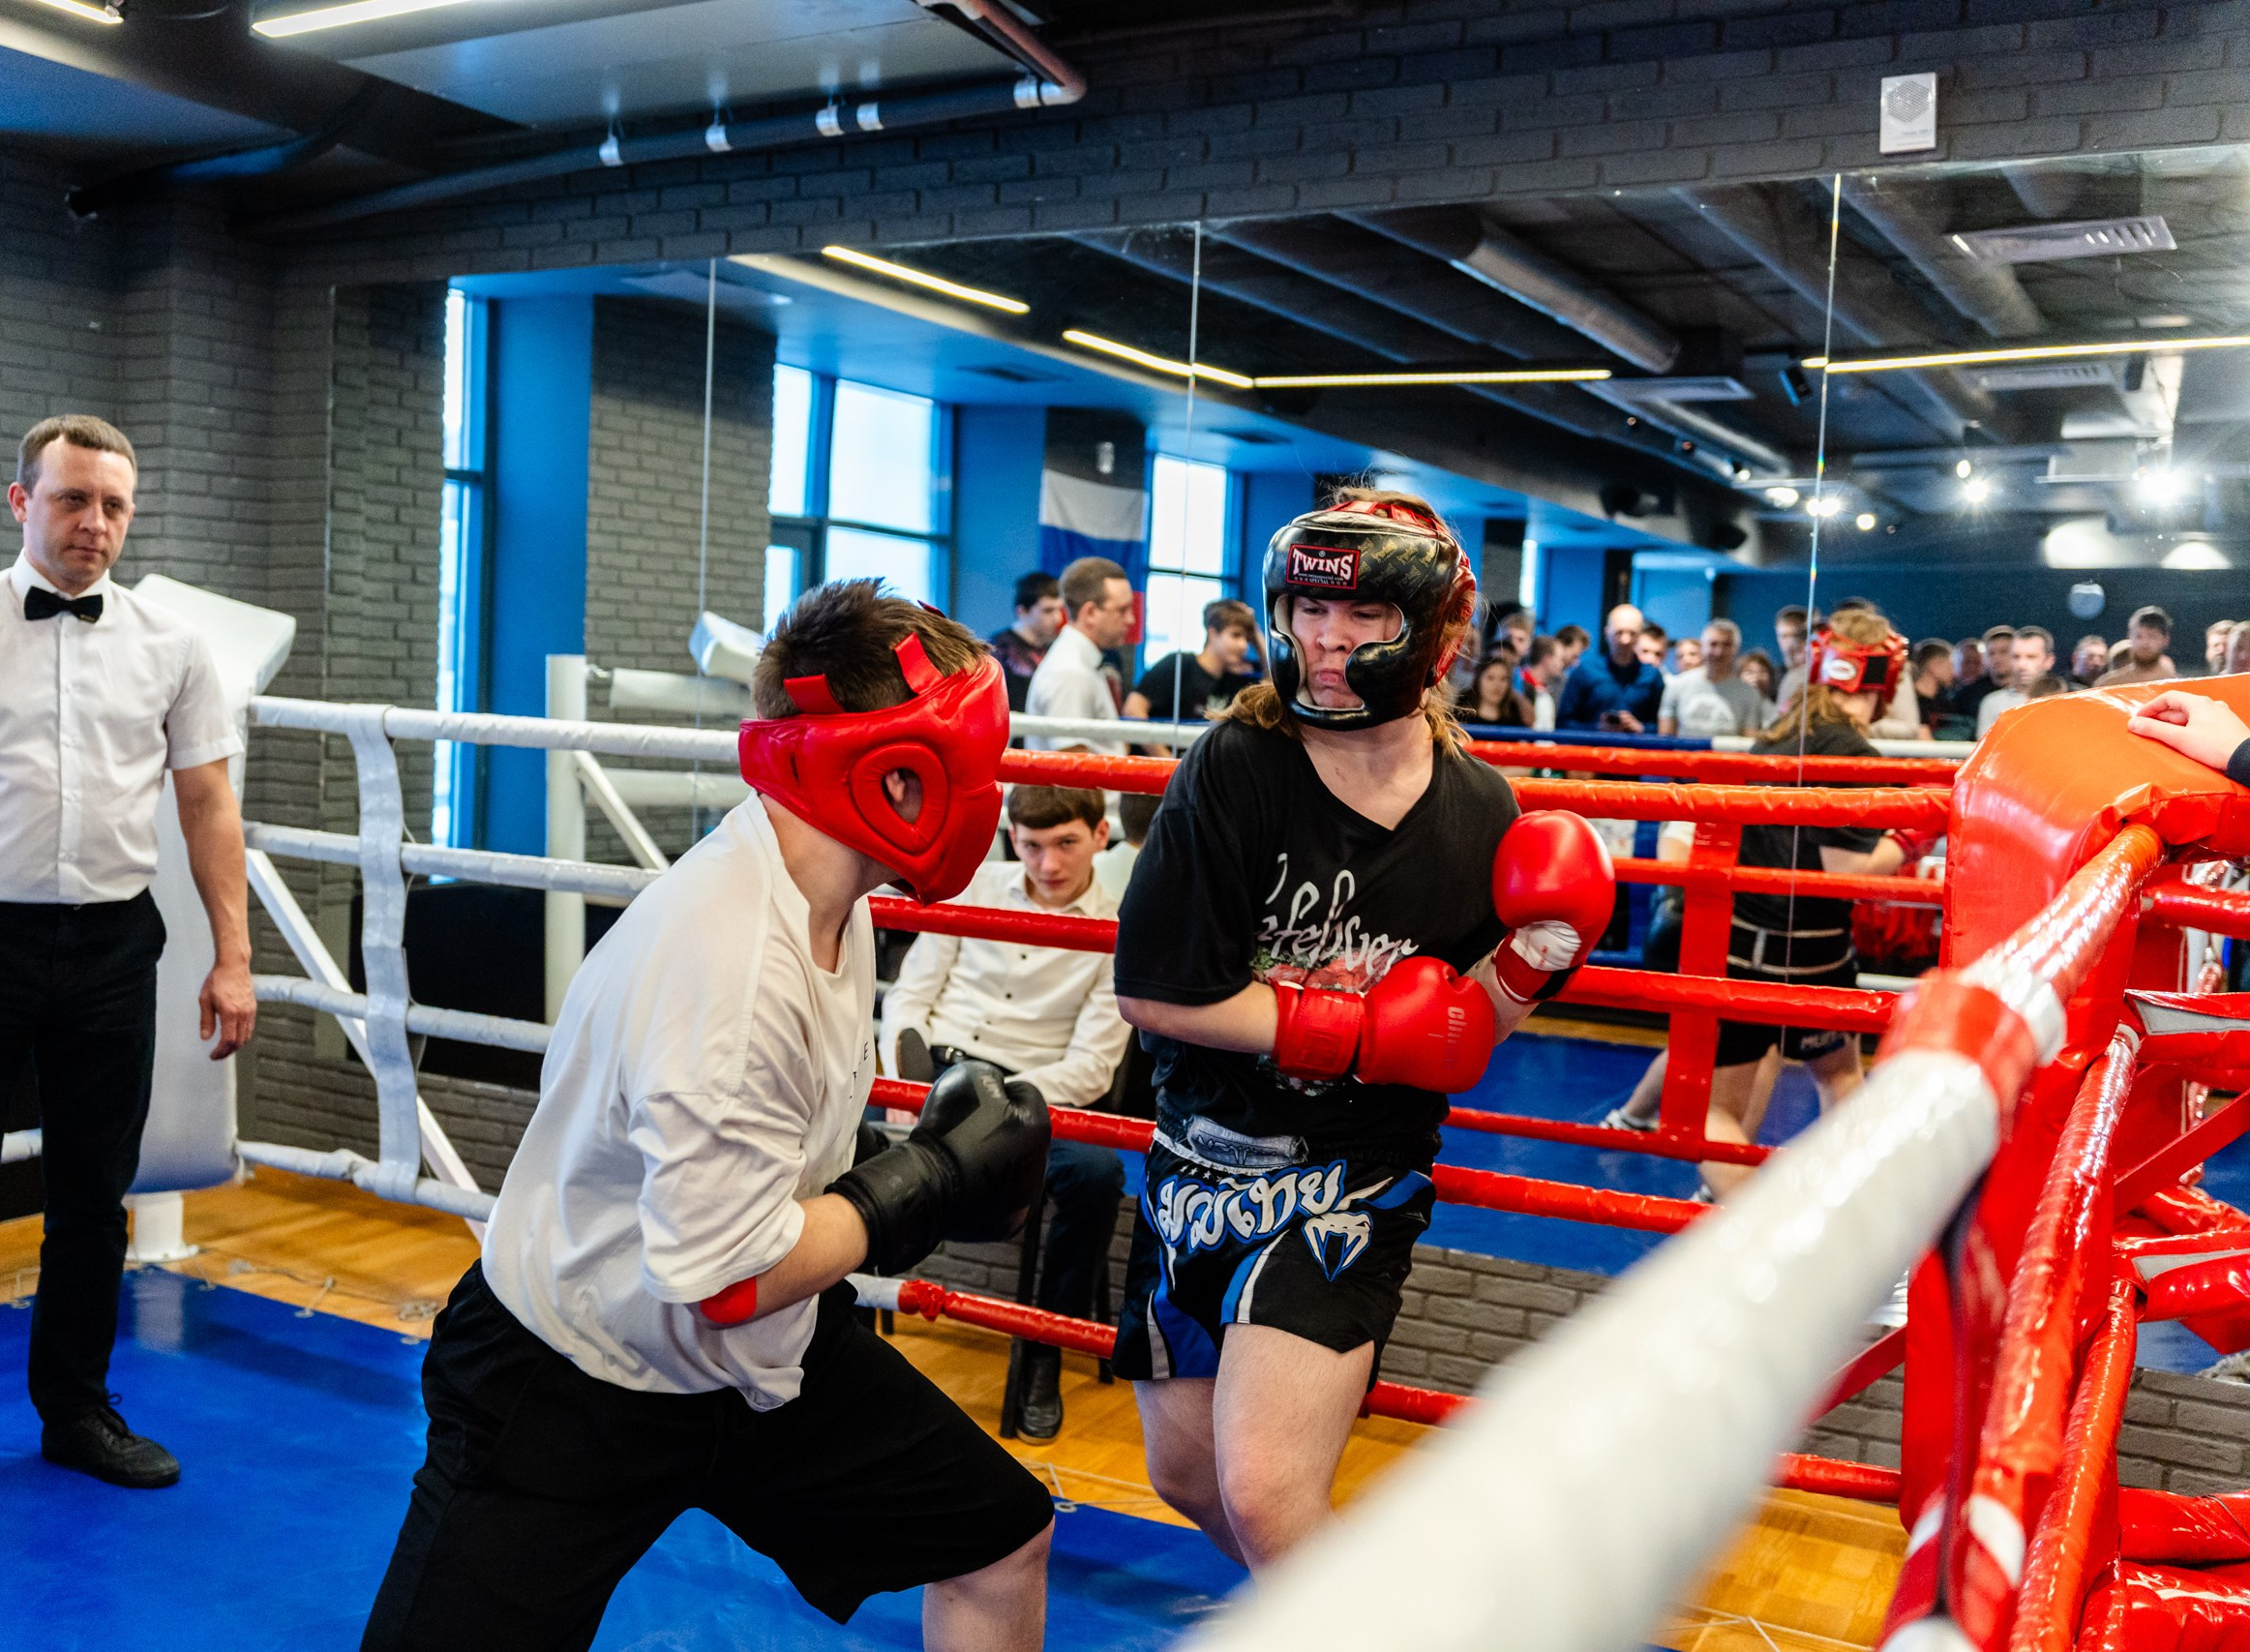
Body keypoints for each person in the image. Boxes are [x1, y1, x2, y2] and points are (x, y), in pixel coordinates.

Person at [363, 583, 1056, 1651]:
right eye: (963, 758)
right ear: (892, 768)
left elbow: (765, 1169)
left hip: (756, 1367)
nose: (984, 786)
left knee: (998, 1538)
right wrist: (928, 1180)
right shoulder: (730, 966)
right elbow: (726, 1277)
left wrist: (889, 1162)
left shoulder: (833, 895)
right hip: (573, 1378)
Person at [1109, 487, 1615, 1573]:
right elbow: (1152, 991)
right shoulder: (1236, 767)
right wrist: (1346, 1031)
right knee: (1188, 1479)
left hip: (1349, 1178)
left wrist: (1532, 962)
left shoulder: (1482, 813)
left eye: (1365, 619)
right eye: (1306, 611)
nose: (1328, 641)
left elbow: (1462, 1037)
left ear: (1427, 635)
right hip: (1193, 1157)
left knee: (1266, 1491)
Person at [0, 414, 257, 1532]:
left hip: (115, 944)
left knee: (92, 1196)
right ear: (21, 501)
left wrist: (235, 955)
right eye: (73, 500)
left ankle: (75, 1410)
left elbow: (209, 804)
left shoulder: (171, 646)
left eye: (114, 505)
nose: (96, 525)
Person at [884, 784, 1128, 1444]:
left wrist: (993, 1108)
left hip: (1030, 1095)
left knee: (1098, 1174)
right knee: (837, 1130)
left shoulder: (1118, 926)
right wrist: (905, 1085)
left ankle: (1046, 1346)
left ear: (1100, 834)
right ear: (1010, 838)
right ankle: (837, 1321)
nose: (1048, 863)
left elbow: (1092, 1069)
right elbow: (908, 1000)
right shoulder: (971, 888)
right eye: (1031, 845)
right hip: (936, 1070)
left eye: (1066, 843)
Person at [1699, 611, 1917, 1201]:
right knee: (1841, 1078)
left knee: (1723, 1114)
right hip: (1816, 952)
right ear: (1883, 676)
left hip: (1746, 943)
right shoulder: (1854, 755)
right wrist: (1909, 839)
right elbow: (1846, 874)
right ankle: (1791, 1227)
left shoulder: (1774, 735)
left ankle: (1740, 1218)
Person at [1026, 556, 1134, 759]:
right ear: (1090, 612)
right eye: (1122, 610)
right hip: (1089, 790)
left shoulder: (1079, 662)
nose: (1131, 620)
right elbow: (1072, 770)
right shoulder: (1071, 672)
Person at [1125, 597, 1262, 743]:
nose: (1243, 645)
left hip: (1197, 763)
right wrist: (1167, 760)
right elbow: (1133, 709)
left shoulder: (1234, 679)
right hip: (1164, 762)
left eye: (1248, 639)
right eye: (1236, 635)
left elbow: (1274, 684)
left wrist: (1257, 633)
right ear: (1212, 633)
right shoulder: (1179, 664)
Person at [1556, 603, 1666, 734]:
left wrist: (1640, 728)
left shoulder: (1652, 675)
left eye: (1632, 633)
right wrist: (1596, 728)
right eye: (1619, 633)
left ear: (1640, 635)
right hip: (1592, 751)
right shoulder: (1585, 672)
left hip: (1636, 752)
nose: (1625, 640)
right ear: (1606, 632)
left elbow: (1665, 727)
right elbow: (1563, 723)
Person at [1659, 618, 1765, 738]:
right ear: (1703, 647)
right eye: (1713, 644)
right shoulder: (1677, 686)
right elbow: (1665, 739)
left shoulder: (1749, 694)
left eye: (1727, 645)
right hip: (1684, 756)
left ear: (1736, 649)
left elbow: (1748, 745)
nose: (1719, 652)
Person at [988, 572, 1065, 713]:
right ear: (1022, 611)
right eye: (1048, 611)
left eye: (1060, 609)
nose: (1058, 618)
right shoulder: (997, 650)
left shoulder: (1058, 647)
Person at [1977, 626, 2055, 736]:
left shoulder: (2066, 698)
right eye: (2016, 657)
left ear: (2049, 661)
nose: (2021, 665)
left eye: (2031, 657)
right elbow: (1987, 749)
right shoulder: (1992, 702)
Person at [2094, 604, 2181, 688]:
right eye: (2138, 636)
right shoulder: (2108, 686)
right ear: (2129, 637)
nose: (2144, 643)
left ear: (2165, 640)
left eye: (2152, 636)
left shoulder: (2178, 687)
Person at [1454, 648, 1534, 729]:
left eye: (1503, 679)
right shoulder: (1460, 714)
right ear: (1478, 680)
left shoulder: (1515, 717)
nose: (1497, 685)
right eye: (1490, 678)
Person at [1952, 625, 2016, 724]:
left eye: (2004, 652)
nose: (1997, 659)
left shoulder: (2031, 690)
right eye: (1991, 653)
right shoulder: (1968, 695)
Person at [1911, 640, 1965, 739]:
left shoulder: (1946, 703)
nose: (1954, 673)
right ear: (1934, 665)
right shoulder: (1910, 701)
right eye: (1951, 666)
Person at [1772, 605, 1812, 715]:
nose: (1790, 643)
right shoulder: (1772, 678)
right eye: (1784, 636)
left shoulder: (1817, 676)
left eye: (1795, 636)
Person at [1521, 634, 1566, 730]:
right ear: (1547, 659)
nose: (1562, 664)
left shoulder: (1547, 690)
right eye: (1560, 659)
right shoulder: (1518, 684)